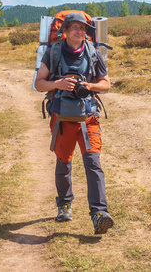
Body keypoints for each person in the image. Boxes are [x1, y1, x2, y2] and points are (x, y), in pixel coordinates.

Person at [34, 12, 114, 235]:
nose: (80, 31)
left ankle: (99, 213)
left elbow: (106, 84)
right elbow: (39, 84)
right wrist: (58, 83)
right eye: (75, 28)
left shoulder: (93, 52)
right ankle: (64, 204)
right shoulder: (53, 53)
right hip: (62, 119)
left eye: (83, 28)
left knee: (93, 163)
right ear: (65, 30)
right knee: (64, 161)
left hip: (88, 117)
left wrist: (89, 86)